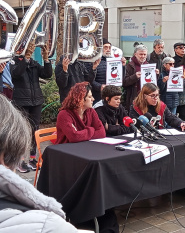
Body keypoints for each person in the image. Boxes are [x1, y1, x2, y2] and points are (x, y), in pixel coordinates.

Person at [0, 94, 79, 232]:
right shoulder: (47, 225)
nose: (91, 99)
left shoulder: (92, 112)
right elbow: (75, 136)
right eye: (88, 97)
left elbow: (100, 131)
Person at [10, 43, 52, 173]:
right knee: (23, 131)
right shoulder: (14, 61)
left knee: (34, 130)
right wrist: (26, 59)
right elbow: (17, 74)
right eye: (28, 49)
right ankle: (20, 160)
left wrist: (46, 59)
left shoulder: (34, 63)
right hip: (21, 101)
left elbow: (47, 74)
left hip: (36, 101)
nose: (30, 51)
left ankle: (33, 158)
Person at [87, 38, 126, 103]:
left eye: (109, 48)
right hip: (97, 95)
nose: (108, 50)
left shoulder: (114, 61)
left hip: (111, 94)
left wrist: (123, 66)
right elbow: (89, 79)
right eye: (105, 47)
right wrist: (100, 87)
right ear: (100, 48)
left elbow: (121, 78)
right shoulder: (93, 61)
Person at [123, 44, 159, 112]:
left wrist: (156, 75)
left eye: (144, 54)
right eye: (141, 54)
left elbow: (153, 84)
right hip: (134, 97)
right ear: (135, 54)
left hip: (147, 98)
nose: (143, 56)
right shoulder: (129, 66)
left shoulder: (148, 65)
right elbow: (124, 82)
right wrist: (135, 76)